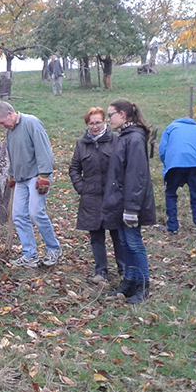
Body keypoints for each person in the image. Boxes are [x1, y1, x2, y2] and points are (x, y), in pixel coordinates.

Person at [0, 100, 62, 268]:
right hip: (21, 179)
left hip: (37, 176)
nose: (2, 126)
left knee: (36, 212)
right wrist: (12, 175)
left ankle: (54, 248)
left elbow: (44, 150)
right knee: (18, 215)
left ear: (10, 114)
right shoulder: (10, 131)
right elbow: (13, 154)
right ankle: (30, 254)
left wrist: (44, 175)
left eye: (2, 122)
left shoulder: (32, 123)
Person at [102, 99, 156, 304]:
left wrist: (132, 208)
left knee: (134, 244)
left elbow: (136, 175)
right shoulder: (124, 137)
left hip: (131, 204)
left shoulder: (134, 139)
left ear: (123, 115)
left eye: (111, 114)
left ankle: (143, 287)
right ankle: (129, 282)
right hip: (121, 202)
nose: (109, 119)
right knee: (125, 243)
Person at [69, 107, 123, 284]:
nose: (95, 126)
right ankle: (101, 271)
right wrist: (81, 187)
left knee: (118, 235)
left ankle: (124, 269)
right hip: (90, 197)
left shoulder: (116, 140)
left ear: (105, 122)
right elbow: (74, 168)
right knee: (96, 236)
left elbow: (125, 165)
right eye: (91, 123)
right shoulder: (81, 143)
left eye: (98, 122)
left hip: (113, 196)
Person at [158, 118, 196, 239]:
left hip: (175, 164)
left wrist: (166, 166)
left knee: (170, 194)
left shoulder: (171, 128)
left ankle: (172, 227)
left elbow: (162, 150)